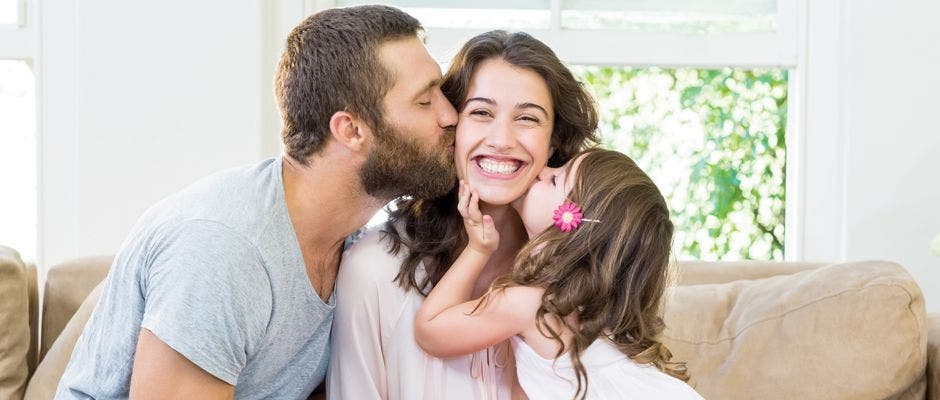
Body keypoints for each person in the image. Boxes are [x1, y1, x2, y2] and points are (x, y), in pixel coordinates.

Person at [55, 5, 458, 399]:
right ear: (350, 130)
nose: (450, 115)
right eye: (425, 101)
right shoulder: (225, 251)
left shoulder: (350, 240)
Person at [328, 30, 599, 399]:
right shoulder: (374, 269)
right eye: (481, 113)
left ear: (553, 140)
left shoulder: (589, 272)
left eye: (528, 119)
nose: (502, 139)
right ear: (451, 126)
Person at [415, 148, 703, 400]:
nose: (542, 171)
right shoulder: (597, 316)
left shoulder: (530, 303)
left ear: (573, 224)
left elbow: (430, 331)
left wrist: (478, 249)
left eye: (555, 179)